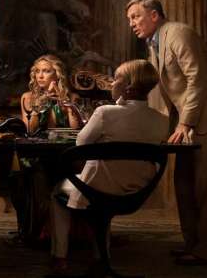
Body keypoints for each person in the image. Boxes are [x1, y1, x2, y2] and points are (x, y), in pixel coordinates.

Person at [125, 0, 207, 266]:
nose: (132, 23)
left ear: (154, 15)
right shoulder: (154, 43)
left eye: (135, 16)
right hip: (187, 123)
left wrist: (186, 122)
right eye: (129, 19)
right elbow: (167, 88)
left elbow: (198, 79)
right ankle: (193, 244)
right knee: (184, 184)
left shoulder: (178, 33)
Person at [49, 60, 168, 272]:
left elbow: (81, 143)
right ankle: (100, 257)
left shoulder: (105, 112)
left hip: (100, 189)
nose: (112, 82)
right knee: (105, 186)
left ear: (129, 87)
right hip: (136, 191)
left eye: (117, 78)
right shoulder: (161, 120)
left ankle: (60, 256)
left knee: (60, 191)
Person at [20, 54, 82, 134]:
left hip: (64, 141)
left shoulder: (73, 97)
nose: (40, 76)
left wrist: (68, 105)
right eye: (37, 71)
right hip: (37, 141)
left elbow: (76, 130)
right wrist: (40, 103)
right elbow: (29, 131)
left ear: (57, 74)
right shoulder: (28, 97)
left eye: (47, 71)